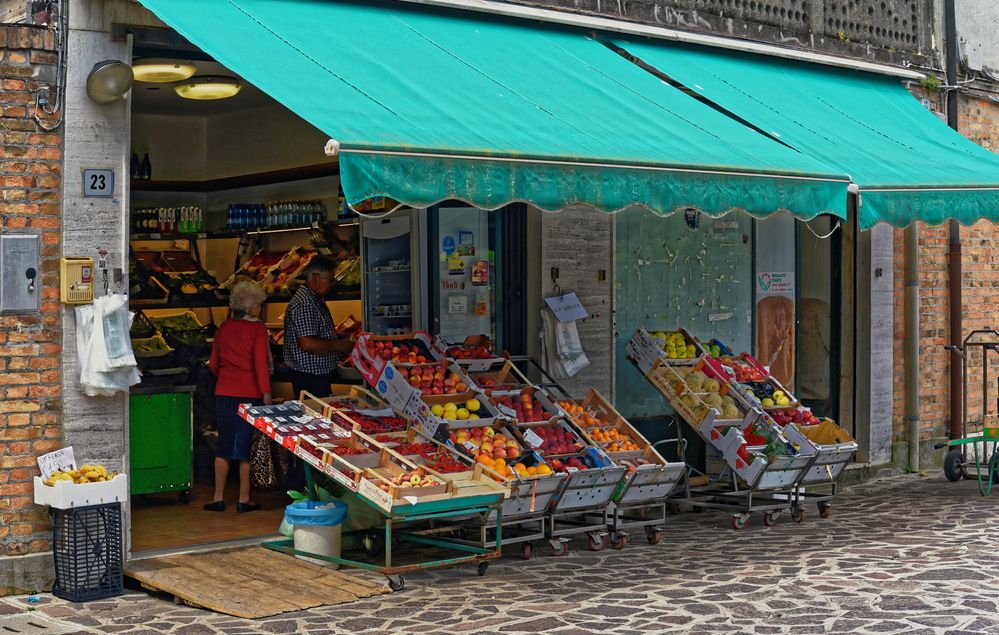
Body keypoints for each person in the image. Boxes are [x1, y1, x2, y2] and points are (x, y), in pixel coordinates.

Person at [204, 281, 271, 513]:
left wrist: (226, 377)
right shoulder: (258, 330)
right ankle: (244, 499)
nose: (260, 309)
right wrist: (266, 393)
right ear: (251, 307)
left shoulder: (223, 328)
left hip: (223, 392)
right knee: (245, 448)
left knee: (224, 445)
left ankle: (218, 497)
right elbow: (260, 365)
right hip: (249, 393)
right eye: (259, 305)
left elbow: (213, 364)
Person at [283, 255, 354, 399]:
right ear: (316, 278)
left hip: (315, 376)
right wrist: (341, 345)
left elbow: (314, 333)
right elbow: (308, 344)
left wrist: (336, 337)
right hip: (310, 379)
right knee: (314, 416)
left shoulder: (314, 299)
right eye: (330, 280)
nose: (332, 285)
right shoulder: (305, 303)